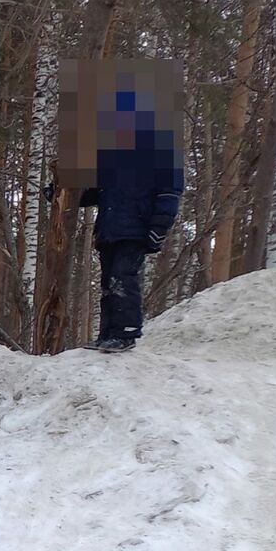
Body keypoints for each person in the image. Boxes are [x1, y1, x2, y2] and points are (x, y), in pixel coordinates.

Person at [78, 82, 184, 353]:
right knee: (108, 282)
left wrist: (159, 227)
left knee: (123, 277)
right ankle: (108, 333)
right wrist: (59, 194)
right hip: (110, 228)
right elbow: (94, 192)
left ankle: (126, 332)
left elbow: (170, 192)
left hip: (136, 227)